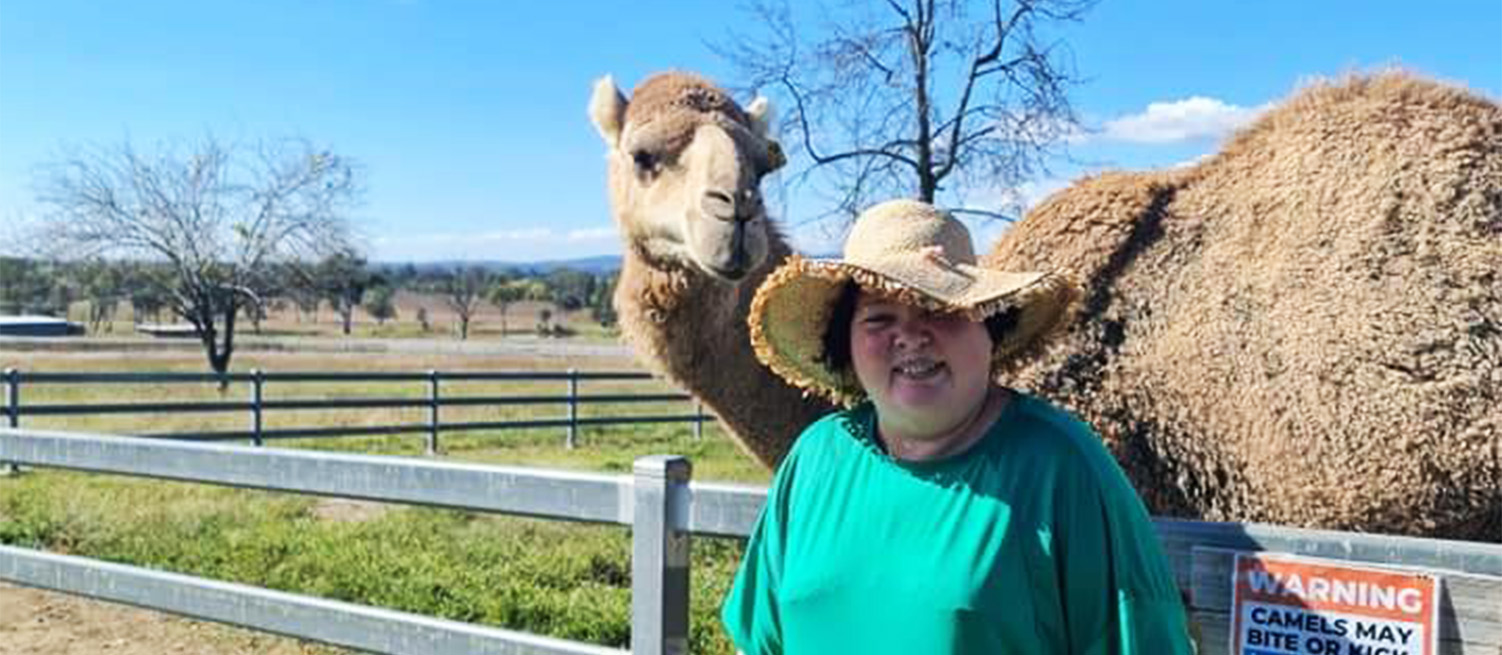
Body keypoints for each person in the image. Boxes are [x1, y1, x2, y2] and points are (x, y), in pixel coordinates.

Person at [722, 199, 1194, 654]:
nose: (909, 335)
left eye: (938, 309)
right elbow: (760, 643)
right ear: (843, 342)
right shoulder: (816, 459)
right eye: (879, 317)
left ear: (990, 326)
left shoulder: (1060, 467)